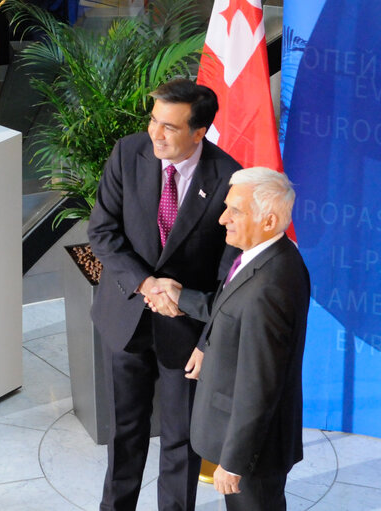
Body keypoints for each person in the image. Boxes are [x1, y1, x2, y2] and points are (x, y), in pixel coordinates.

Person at [87, 78, 241, 511]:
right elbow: (102, 231)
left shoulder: (228, 177)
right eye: (154, 121)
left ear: (199, 132)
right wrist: (145, 283)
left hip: (186, 333)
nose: (155, 133)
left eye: (169, 127)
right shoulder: (127, 152)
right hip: (126, 317)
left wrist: (209, 342)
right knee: (125, 433)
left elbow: (229, 276)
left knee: (181, 442)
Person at [148, 167, 310, 511]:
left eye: (234, 211)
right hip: (250, 443)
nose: (223, 219)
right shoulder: (262, 257)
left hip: (254, 452)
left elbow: (260, 385)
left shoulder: (270, 287)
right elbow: (230, 309)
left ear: (267, 221)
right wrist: (180, 296)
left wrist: (234, 461)